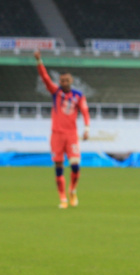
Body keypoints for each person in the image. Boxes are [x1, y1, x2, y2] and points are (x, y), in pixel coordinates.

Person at [34, 50, 90, 209]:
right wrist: (39, 61)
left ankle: (72, 190)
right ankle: (63, 198)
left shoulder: (78, 96)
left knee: (75, 165)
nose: (64, 82)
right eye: (62, 80)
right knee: (58, 166)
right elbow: (45, 79)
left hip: (71, 135)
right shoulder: (55, 92)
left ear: (71, 80)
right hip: (56, 135)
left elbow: (85, 112)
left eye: (66, 80)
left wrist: (86, 128)